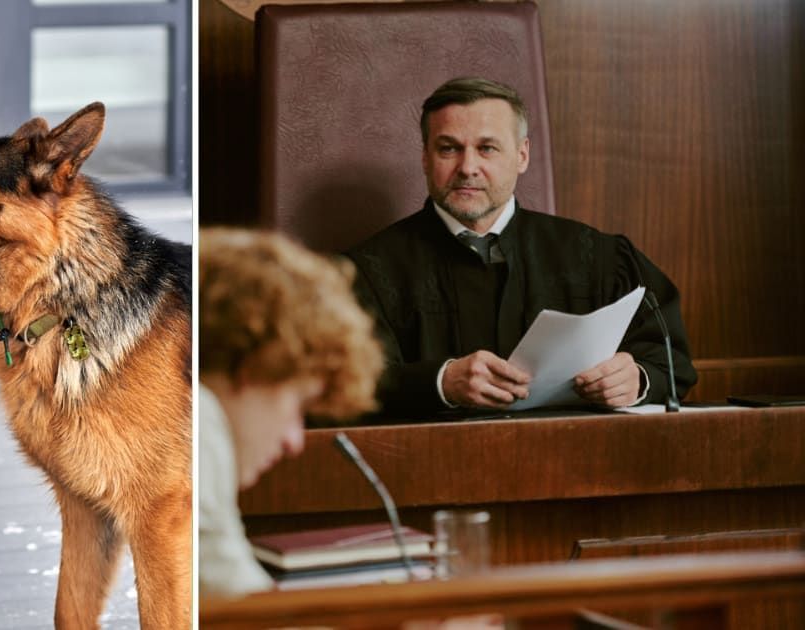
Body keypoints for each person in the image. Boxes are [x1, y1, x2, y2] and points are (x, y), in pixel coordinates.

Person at [345, 77, 696, 418]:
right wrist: (440, 383)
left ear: (522, 155)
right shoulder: (367, 272)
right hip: (429, 468)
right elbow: (338, 387)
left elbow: (669, 360)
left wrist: (637, 379)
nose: (468, 168)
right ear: (425, 158)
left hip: (574, 465)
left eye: (487, 148)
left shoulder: (596, 256)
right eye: (448, 148)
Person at [198, 227, 384, 598]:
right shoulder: (199, 425)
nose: (293, 442)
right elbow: (251, 618)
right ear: (255, 365)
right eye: (297, 405)